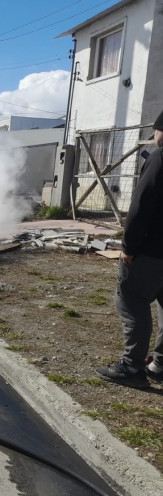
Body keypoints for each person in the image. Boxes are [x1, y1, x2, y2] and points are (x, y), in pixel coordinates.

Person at [95, 110, 163, 388]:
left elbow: (140, 207)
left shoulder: (160, 157)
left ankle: (132, 366)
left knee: (133, 301)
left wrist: (129, 247)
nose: (154, 137)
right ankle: (159, 365)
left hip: (151, 251)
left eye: (156, 131)